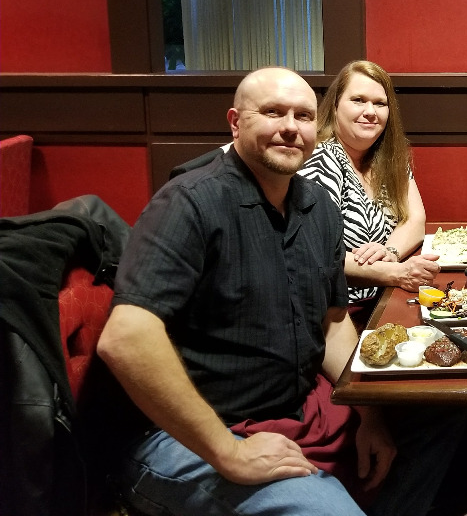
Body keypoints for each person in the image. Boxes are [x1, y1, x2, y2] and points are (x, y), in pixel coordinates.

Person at [97, 67, 445, 516]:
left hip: (299, 409)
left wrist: (370, 412)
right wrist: (229, 453)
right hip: (197, 434)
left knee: (439, 414)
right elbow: (124, 339)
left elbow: (333, 322)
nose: (290, 127)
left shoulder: (317, 206)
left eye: (302, 115)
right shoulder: (189, 201)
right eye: (272, 112)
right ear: (235, 122)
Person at [297, 60, 439, 320]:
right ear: (336, 105)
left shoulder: (389, 156)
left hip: (385, 298)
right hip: (337, 314)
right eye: (358, 100)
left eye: (380, 103)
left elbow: (415, 219)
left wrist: (391, 251)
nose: (370, 111)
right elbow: (315, 254)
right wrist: (396, 273)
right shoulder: (321, 160)